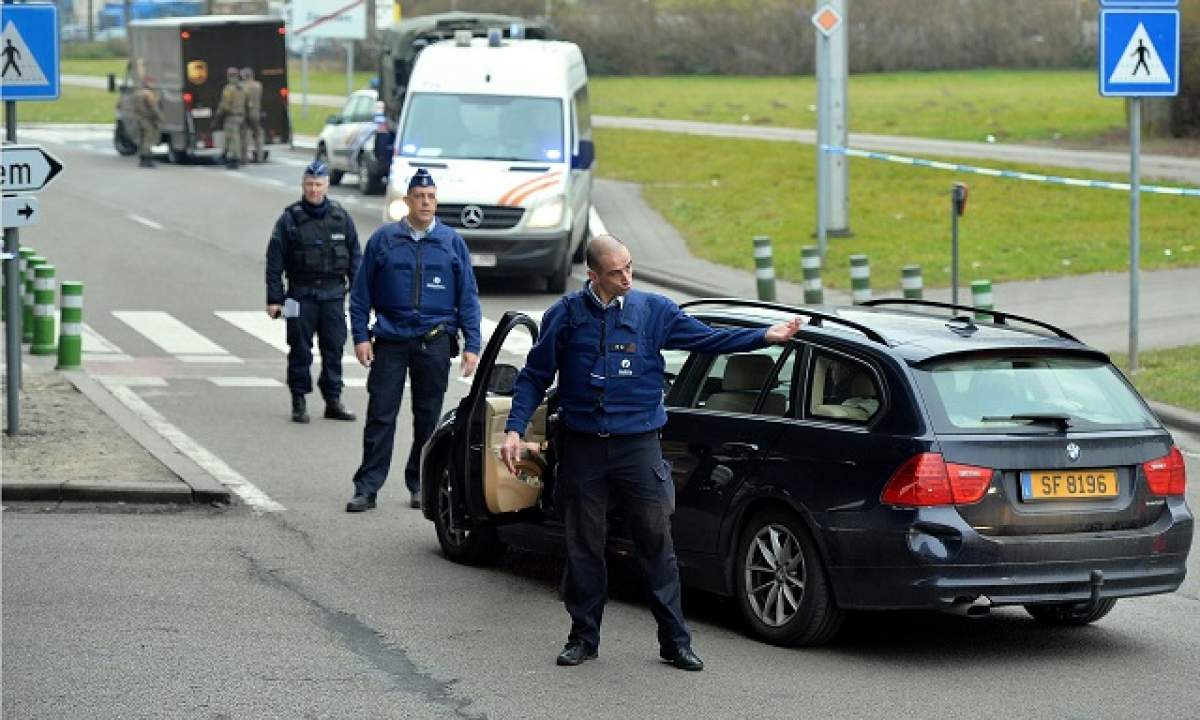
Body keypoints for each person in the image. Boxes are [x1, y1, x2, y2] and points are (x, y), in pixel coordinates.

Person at [499, 234, 806, 672]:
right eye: (615, 272)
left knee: (657, 544)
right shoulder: (565, 316)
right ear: (593, 276)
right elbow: (533, 376)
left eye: (629, 266)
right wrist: (514, 429)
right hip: (585, 448)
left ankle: (675, 641)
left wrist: (764, 336)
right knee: (584, 547)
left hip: (638, 449)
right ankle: (583, 638)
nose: (627, 276)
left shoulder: (654, 311)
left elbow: (708, 340)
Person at [346, 168, 482, 513]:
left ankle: (420, 482)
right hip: (391, 340)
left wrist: (472, 345)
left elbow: (468, 297)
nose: (426, 202)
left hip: (434, 342)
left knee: (428, 418)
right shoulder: (384, 240)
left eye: (431, 197)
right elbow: (361, 294)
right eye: (419, 197)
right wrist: (361, 336)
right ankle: (367, 487)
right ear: (407, 201)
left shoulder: (452, 243)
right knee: (381, 415)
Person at [266, 161, 361, 424]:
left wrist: (361, 297)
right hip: (300, 295)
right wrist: (275, 299)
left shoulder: (341, 218)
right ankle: (299, 400)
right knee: (299, 349)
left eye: (318, 185)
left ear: (327, 185)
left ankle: (333, 400)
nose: (314, 190)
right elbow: (275, 262)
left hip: (332, 295)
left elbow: (355, 259)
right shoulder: (289, 219)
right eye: (309, 184)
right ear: (302, 185)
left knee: (334, 349)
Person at [214, 67, 246, 170]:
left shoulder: (229, 89)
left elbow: (225, 104)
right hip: (241, 115)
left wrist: (219, 114)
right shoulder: (242, 88)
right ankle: (236, 156)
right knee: (238, 137)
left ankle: (234, 158)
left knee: (232, 138)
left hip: (231, 116)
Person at [133, 75, 164, 168]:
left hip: (139, 119)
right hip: (147, 120)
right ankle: (147, 159)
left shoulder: (137, 93)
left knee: (142, 139)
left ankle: (142, 158)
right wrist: (160, 117)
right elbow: (154, 108)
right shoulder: (148, 94)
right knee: (148, 140)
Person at [240, 67, 264, 163]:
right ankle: (259, 156)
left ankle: (244, 157)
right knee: (258, 134)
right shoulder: (258, 85)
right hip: (256, 112)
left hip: (245, 113)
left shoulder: (242, 86)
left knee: (244, 135)